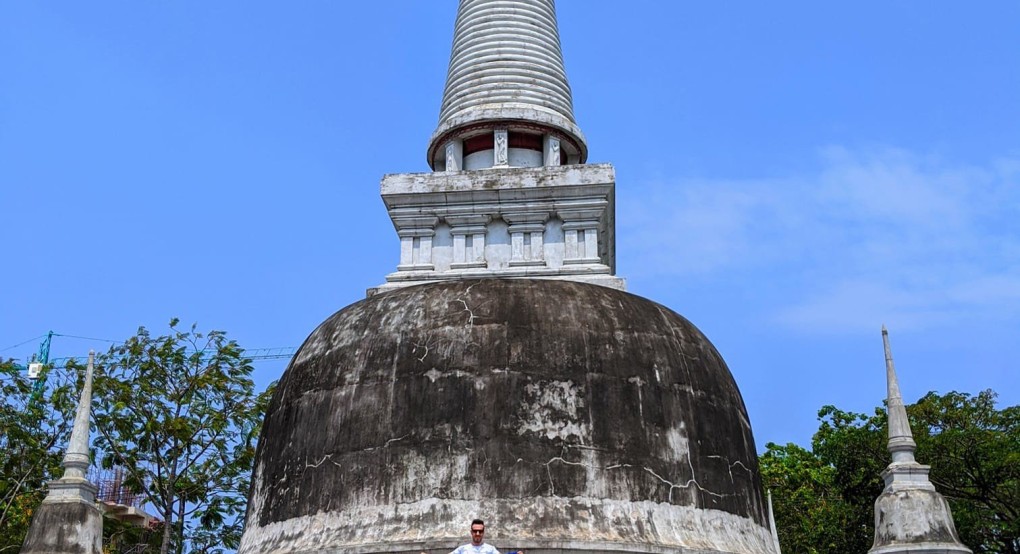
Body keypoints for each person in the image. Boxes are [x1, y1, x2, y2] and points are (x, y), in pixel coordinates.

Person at [449, 519, 522, 554]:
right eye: (475, 531)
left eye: (480, 531)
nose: (477, 533)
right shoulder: (462, 549)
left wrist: (515, 553)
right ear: (471, 532)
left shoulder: (490, 549)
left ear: (483, 533)